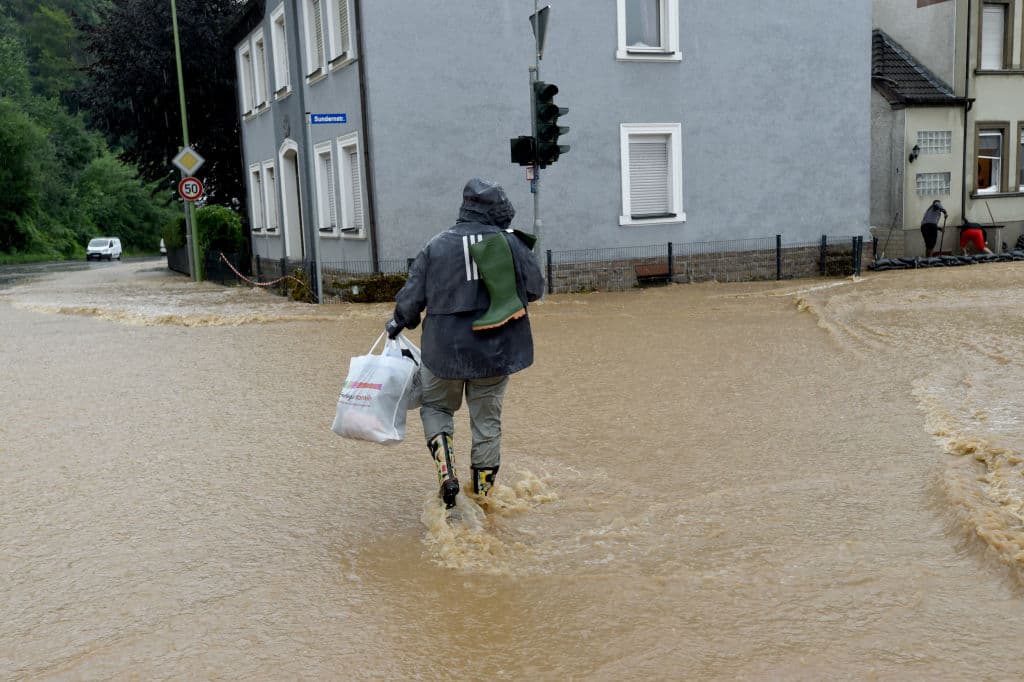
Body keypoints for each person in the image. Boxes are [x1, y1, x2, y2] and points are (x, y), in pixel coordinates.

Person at [385, 178, 545, 509]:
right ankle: (484, 497)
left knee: (437, 407)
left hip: (443, 352)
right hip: (494, 351)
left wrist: (398, 322)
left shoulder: (436, 245)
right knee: (486, 422)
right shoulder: (510, 243)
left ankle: (447, 474)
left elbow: (411, 301)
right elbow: (534, 289)